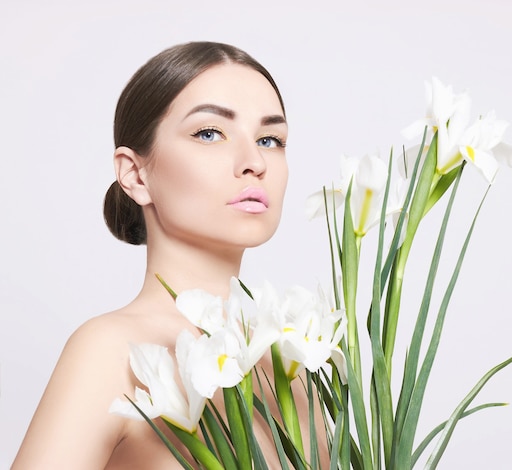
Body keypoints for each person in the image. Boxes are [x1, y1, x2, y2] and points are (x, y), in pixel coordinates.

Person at [12, 41, 312, 469]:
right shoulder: (112, 352)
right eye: (209, 133)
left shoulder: (293, 359)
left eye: (270, 139)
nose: (254, 162)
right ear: (135, 174)